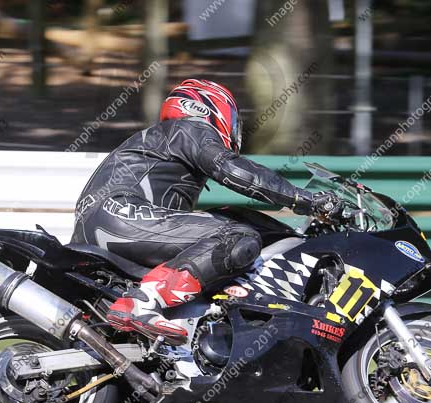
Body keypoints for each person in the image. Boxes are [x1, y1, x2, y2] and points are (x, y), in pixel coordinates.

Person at [71, 79, 342, 345]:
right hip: (120, 216)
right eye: (235, 122)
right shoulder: (187, 129)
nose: (235, 131)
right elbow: (233, 171)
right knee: (237, 236)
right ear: (208, 108)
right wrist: (304, 199)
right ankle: (142, 303)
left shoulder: (159, 142)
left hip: (102, 226)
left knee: (220, 234)